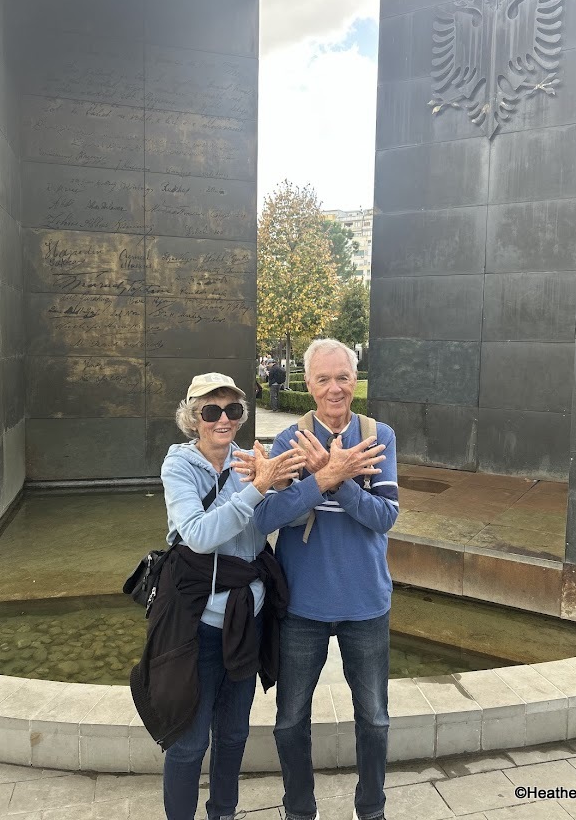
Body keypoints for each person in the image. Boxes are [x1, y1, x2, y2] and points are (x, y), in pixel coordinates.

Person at [132, 373, 306, 820]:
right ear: (193, 418)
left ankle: (223, 813)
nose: (222, 419)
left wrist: (297, 483)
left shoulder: (250, 462)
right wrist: (259, 486)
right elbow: (198, 535)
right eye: (211, 411)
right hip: (197, 626)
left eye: (231, 410)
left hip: (247, 619)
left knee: (233, 734)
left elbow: (264, 521)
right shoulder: (179, 467)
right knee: (188, 743)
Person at [253, 339, 399, 820]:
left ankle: (371, 809)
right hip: (301, 606)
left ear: (355, 379)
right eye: (323, 379)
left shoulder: (378, 436)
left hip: (366, 603)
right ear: (309, 385)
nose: (334, 389)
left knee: (374, 720)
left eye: (343, 377)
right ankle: (299, 810)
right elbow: (266, 518)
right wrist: (319, 480)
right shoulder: (290, 440)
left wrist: (341, 481)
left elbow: (385, 517)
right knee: (290, 720)